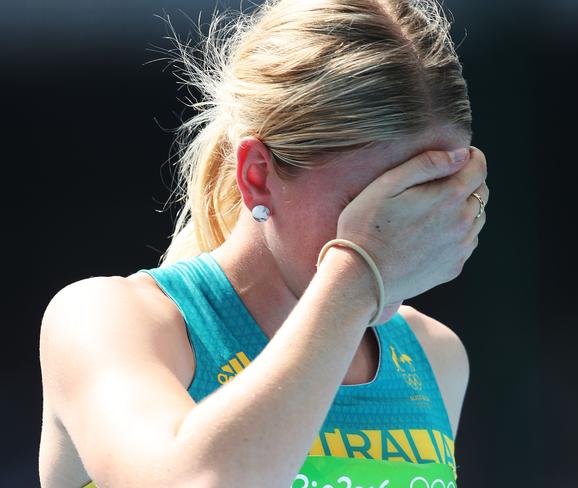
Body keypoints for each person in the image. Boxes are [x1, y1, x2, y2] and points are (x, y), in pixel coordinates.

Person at [38, 0, 488, 486]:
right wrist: (360, 270)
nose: (405, 231)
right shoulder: (107, 321)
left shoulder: (434, 355)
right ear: (257, 177)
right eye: (370, 205)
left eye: (428, 196)